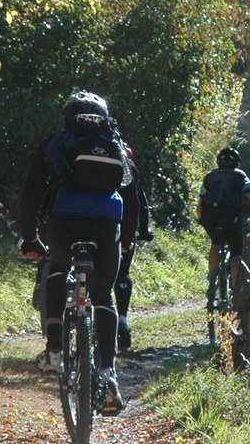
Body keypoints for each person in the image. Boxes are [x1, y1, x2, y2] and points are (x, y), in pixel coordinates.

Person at [18, 91, 139, 416]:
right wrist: (126, 239)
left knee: (57, 268)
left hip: (65, 221)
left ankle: (55, 350)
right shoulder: (118, 146)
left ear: (67, 119)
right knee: (103, 296)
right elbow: (132, 197)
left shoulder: (56, 143)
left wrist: (29, 237)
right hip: (107, 224)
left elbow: (32, 193)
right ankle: (108, 373)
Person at [196, 147, 250, 309]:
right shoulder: (240, 175)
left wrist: (201, 218)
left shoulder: (209, 176)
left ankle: (211, 283)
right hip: (230, 215)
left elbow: (200, 204)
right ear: (236, 163)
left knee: (216, 243)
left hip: (209, 216)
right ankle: (236, 292)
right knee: (236, 253)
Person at [114, 142, 153, 351]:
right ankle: (122, 319)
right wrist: (144, 230)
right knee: (121, 276)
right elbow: (140, 203)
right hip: (122, 229)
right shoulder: (130, 168)